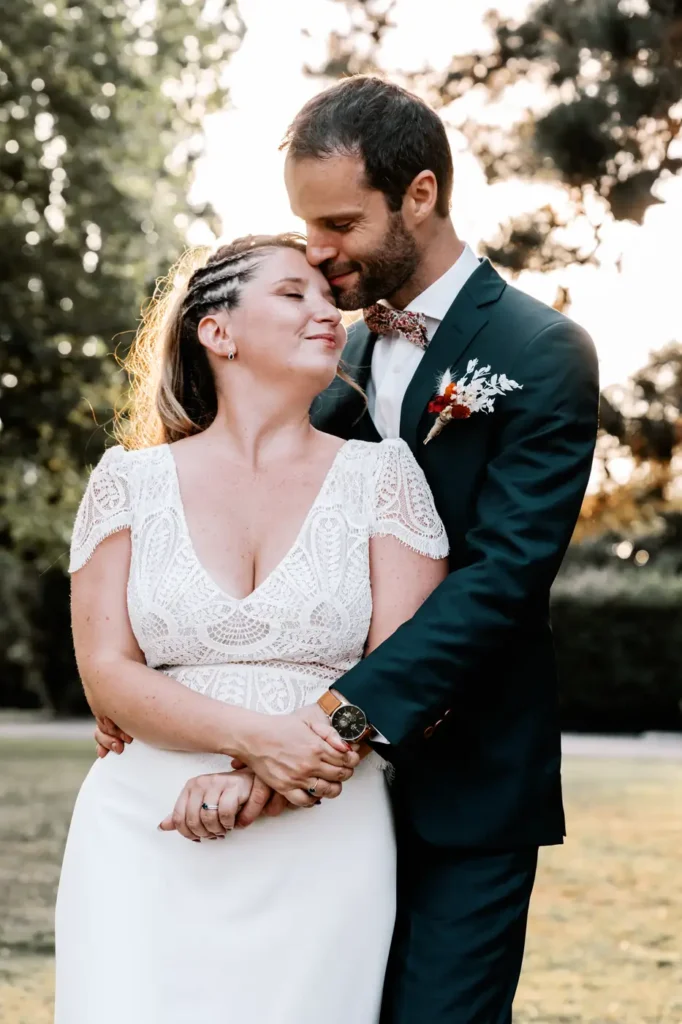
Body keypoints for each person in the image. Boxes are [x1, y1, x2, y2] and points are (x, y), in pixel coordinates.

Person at [95, 77, 600, 1022]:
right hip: (306, 804)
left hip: (464, 779)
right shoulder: (328, 364)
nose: (317, 254)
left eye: (335, 222)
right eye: (301, 225)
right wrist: (148, 679)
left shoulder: (541, 352)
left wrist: (327, 730)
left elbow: (501, 581)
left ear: (419, 195)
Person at [55, 233, 449, 1024]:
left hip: (323, 826)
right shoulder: (128, 483)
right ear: (218, 331)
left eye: (326, 295)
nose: (327, 310)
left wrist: (261, 776)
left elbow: (406, 670)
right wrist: (261, 741)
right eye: (293, 293)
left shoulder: (385, 476)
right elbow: (107, 672)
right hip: (144, 829)